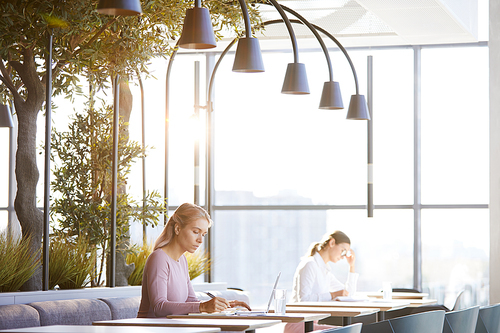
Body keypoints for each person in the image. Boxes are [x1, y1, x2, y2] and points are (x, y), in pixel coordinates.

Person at [137, 203, 250, 317]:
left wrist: (223, 305)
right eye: (196, 232)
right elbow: (159, 307)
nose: (200, 240)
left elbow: (191, 301)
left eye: (203, 234)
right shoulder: (159, 258)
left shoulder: (182, 260)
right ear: (177, 228)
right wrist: (203, 307)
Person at [291, 230, 358, 302]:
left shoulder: (325, 270)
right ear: (332, 243)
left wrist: (351, 266)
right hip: (301, 313)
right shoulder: (310, 264)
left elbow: (348, 294)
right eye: (343, 251)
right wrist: (333, 295)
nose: (343, 257)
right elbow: (304, 300)